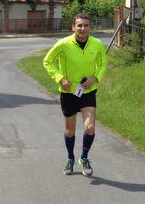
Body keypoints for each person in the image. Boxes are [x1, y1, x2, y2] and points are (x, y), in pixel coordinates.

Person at [43, 13, 107, 176]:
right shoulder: (63, 44)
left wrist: (95, 78)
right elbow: (47, 61)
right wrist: (60, 78)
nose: (82, 28)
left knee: (90, 127)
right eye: (79, 25)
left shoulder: (97, 44)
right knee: (70, 131)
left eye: (86, 25)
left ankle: (84, 158)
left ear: (90, 27)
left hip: (88, 92)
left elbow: (103, 64)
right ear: (73, 27)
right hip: (69, 93)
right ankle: (70, 158)